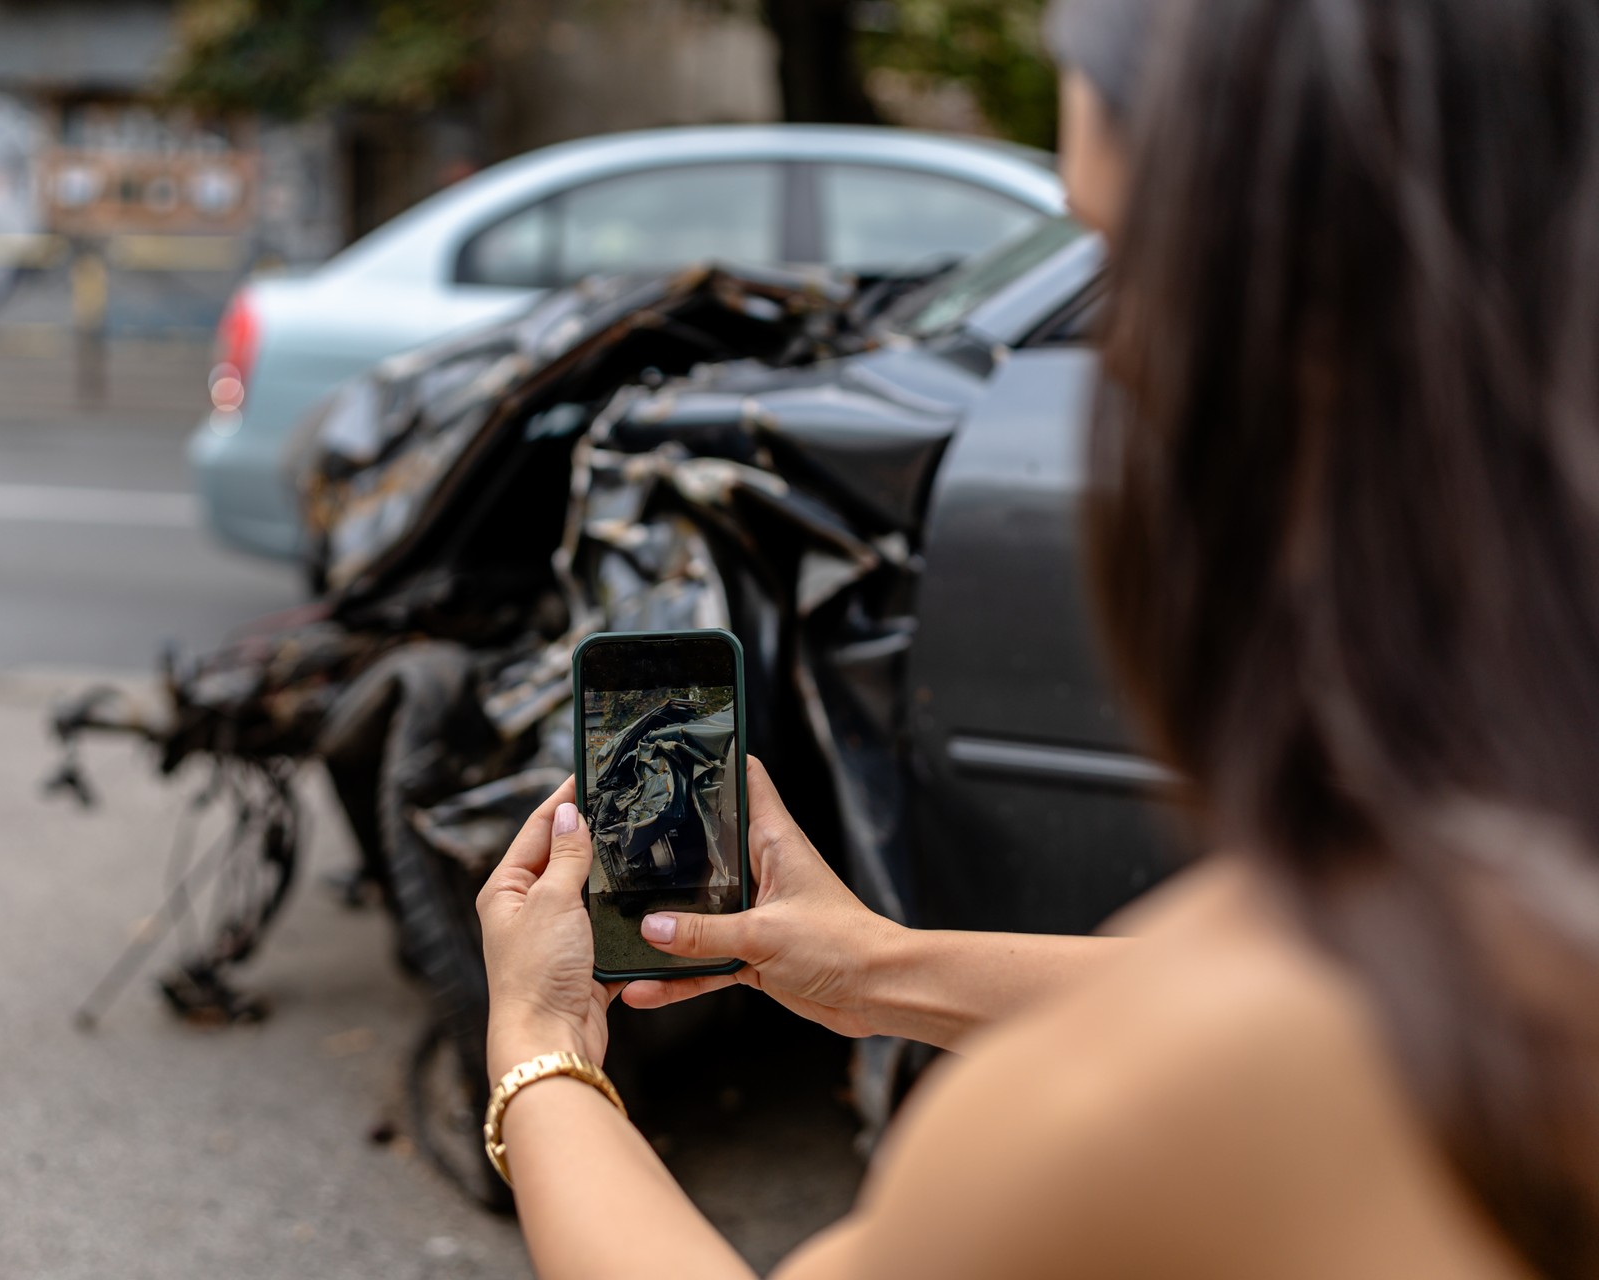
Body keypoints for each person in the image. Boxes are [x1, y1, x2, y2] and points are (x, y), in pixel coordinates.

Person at [476, 0, 1599, 1274]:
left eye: (1129, 275)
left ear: (1305, 346)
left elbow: (1245, 1034)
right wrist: (877, 969)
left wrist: (538, 1045)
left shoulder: (1111, 1115)